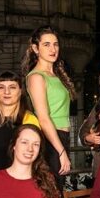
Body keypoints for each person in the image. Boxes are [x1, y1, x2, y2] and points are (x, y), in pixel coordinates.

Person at [22, 26, 75, 189]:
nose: (53, 49)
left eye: (55, 44)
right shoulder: (36, 77)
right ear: (35, 48)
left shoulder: (55, 75)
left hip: (61, 137)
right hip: (50, 139)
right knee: (51, 191)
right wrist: (61, 151)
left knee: (57, 188)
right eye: (46, 44)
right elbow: (43, 118)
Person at [0, 71, 39, 181]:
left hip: (16, 183)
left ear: (20, 91)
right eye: (1, 87)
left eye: (12, 87)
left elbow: (36, 156)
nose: (7, 92)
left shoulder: (30, 120)